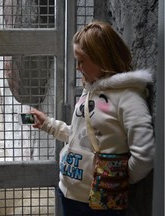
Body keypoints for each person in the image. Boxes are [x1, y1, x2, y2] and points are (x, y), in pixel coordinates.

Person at [31, 21, 155, 216]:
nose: (78, 68)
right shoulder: (90, 91)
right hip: (68, 192)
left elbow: (144, 156)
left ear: (101, 58)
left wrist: (115, 180)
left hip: (100, 203)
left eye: (82, 61)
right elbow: (79, 136)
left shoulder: (128, 97)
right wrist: (48, 124)